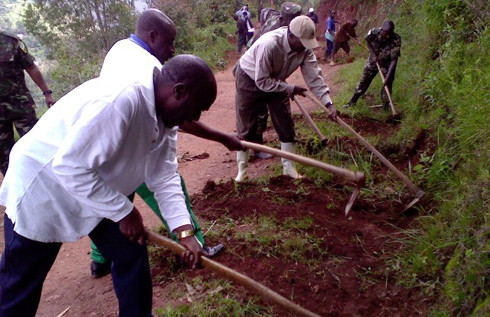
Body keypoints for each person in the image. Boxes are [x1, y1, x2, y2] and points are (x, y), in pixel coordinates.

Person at [0, 54, 215, 317]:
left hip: (98, 187)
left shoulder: (166, 117)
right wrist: (123, 211)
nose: (194, 117)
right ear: (179, 91)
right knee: (22, 282)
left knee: (130, 251)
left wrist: (184, 232)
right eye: (197, 108)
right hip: (44, 188)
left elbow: (164, 175)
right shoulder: (120, 101)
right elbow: (69, 167)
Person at [91, 9, 245, 278]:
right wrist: (223, 138)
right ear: (152, 35)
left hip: (111, 151)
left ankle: (100, 259)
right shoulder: (145, 70)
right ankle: (195, 242)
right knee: (165, 184)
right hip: (132, 147)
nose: (172, 49)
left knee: (110, 202)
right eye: (169, 41)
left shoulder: (120, 49)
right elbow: (178, 119)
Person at [234, 16, 337, 182]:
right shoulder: (270, 44)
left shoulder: (304, 49)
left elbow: (314, 77)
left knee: (285, 122)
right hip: (250, 77)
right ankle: (242, 172)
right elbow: (262, 81)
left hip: (277, 80)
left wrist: (328, 103)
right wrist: (290, 88)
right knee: (247, 124)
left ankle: (289, 169)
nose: (305, 47)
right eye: (302, 42)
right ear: (291, 36)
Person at [246, 2, 302, 160]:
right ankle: (256, 147)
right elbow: (266, 61)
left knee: (277, 105)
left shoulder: (292, 28)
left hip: (268, 67)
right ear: (284, 20)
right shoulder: (273, 31)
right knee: (260, 108)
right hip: (255, 61)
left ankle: (284, 149)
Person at [0, 31, 55, 176]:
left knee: (36, 146)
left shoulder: (11, 41)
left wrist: (47, 92)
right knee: (4, 157)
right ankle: (17, 191)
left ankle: (51, 180)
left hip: (20, 106)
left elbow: (31, 67)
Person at [344, 20, 401, 109]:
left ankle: (386, 106)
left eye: (389, 33)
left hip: (387, 64)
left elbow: (394, 60)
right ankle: (353, 101)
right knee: (364, 80)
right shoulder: (374, 32)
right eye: (386, 33)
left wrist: (387, 77)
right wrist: (373, 54)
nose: (387, 36)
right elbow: (368, 41)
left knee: (388, 84)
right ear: (382, 30)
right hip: (373, 61)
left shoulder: (396, 39)